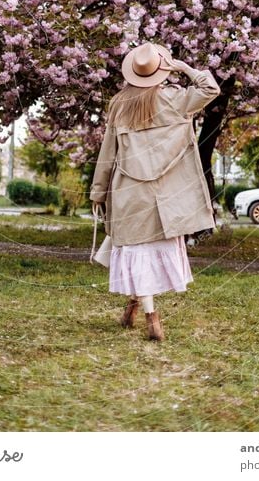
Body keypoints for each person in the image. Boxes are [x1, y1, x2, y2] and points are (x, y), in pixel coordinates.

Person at [90, 41, 220, 341]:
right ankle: (137, 308)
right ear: (162, 71)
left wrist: (98, 191)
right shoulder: (175, 99)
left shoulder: (120, 105)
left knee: (136, 253)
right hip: (166, 196)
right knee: (148, 255)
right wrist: (184, 68)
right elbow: (210, 89)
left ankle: (150, 316)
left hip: (129, 193)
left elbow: (108, 154)